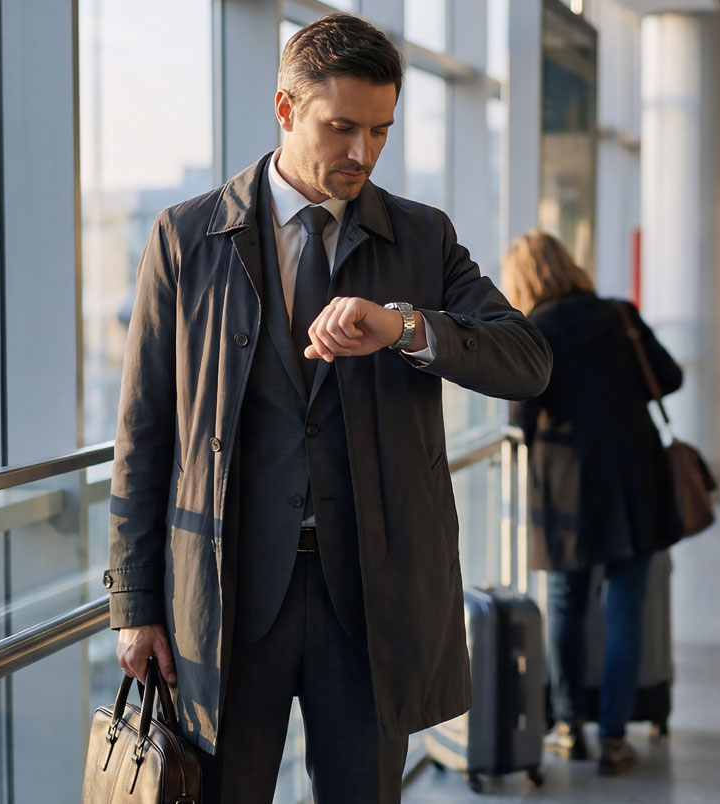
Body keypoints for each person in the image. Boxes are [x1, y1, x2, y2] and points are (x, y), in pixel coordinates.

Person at [105, 15, 552, 803]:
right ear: (285, 109)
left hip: (370, 597)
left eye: (380, 130)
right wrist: (135, 605)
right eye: (340, 127)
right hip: (228, 597)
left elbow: (527, 361)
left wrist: (405, 326)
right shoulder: (188, 239)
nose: (363, 153)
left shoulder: (420, 237)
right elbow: (143, 433)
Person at [505, 231, 684, 777]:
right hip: (634, 482)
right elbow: (670, 377)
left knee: (566, 605)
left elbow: (521, 420)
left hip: (566, 492)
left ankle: (568, 728)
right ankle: (613, 738)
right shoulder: (619, 314)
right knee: (625, 608)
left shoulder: (533, 331)